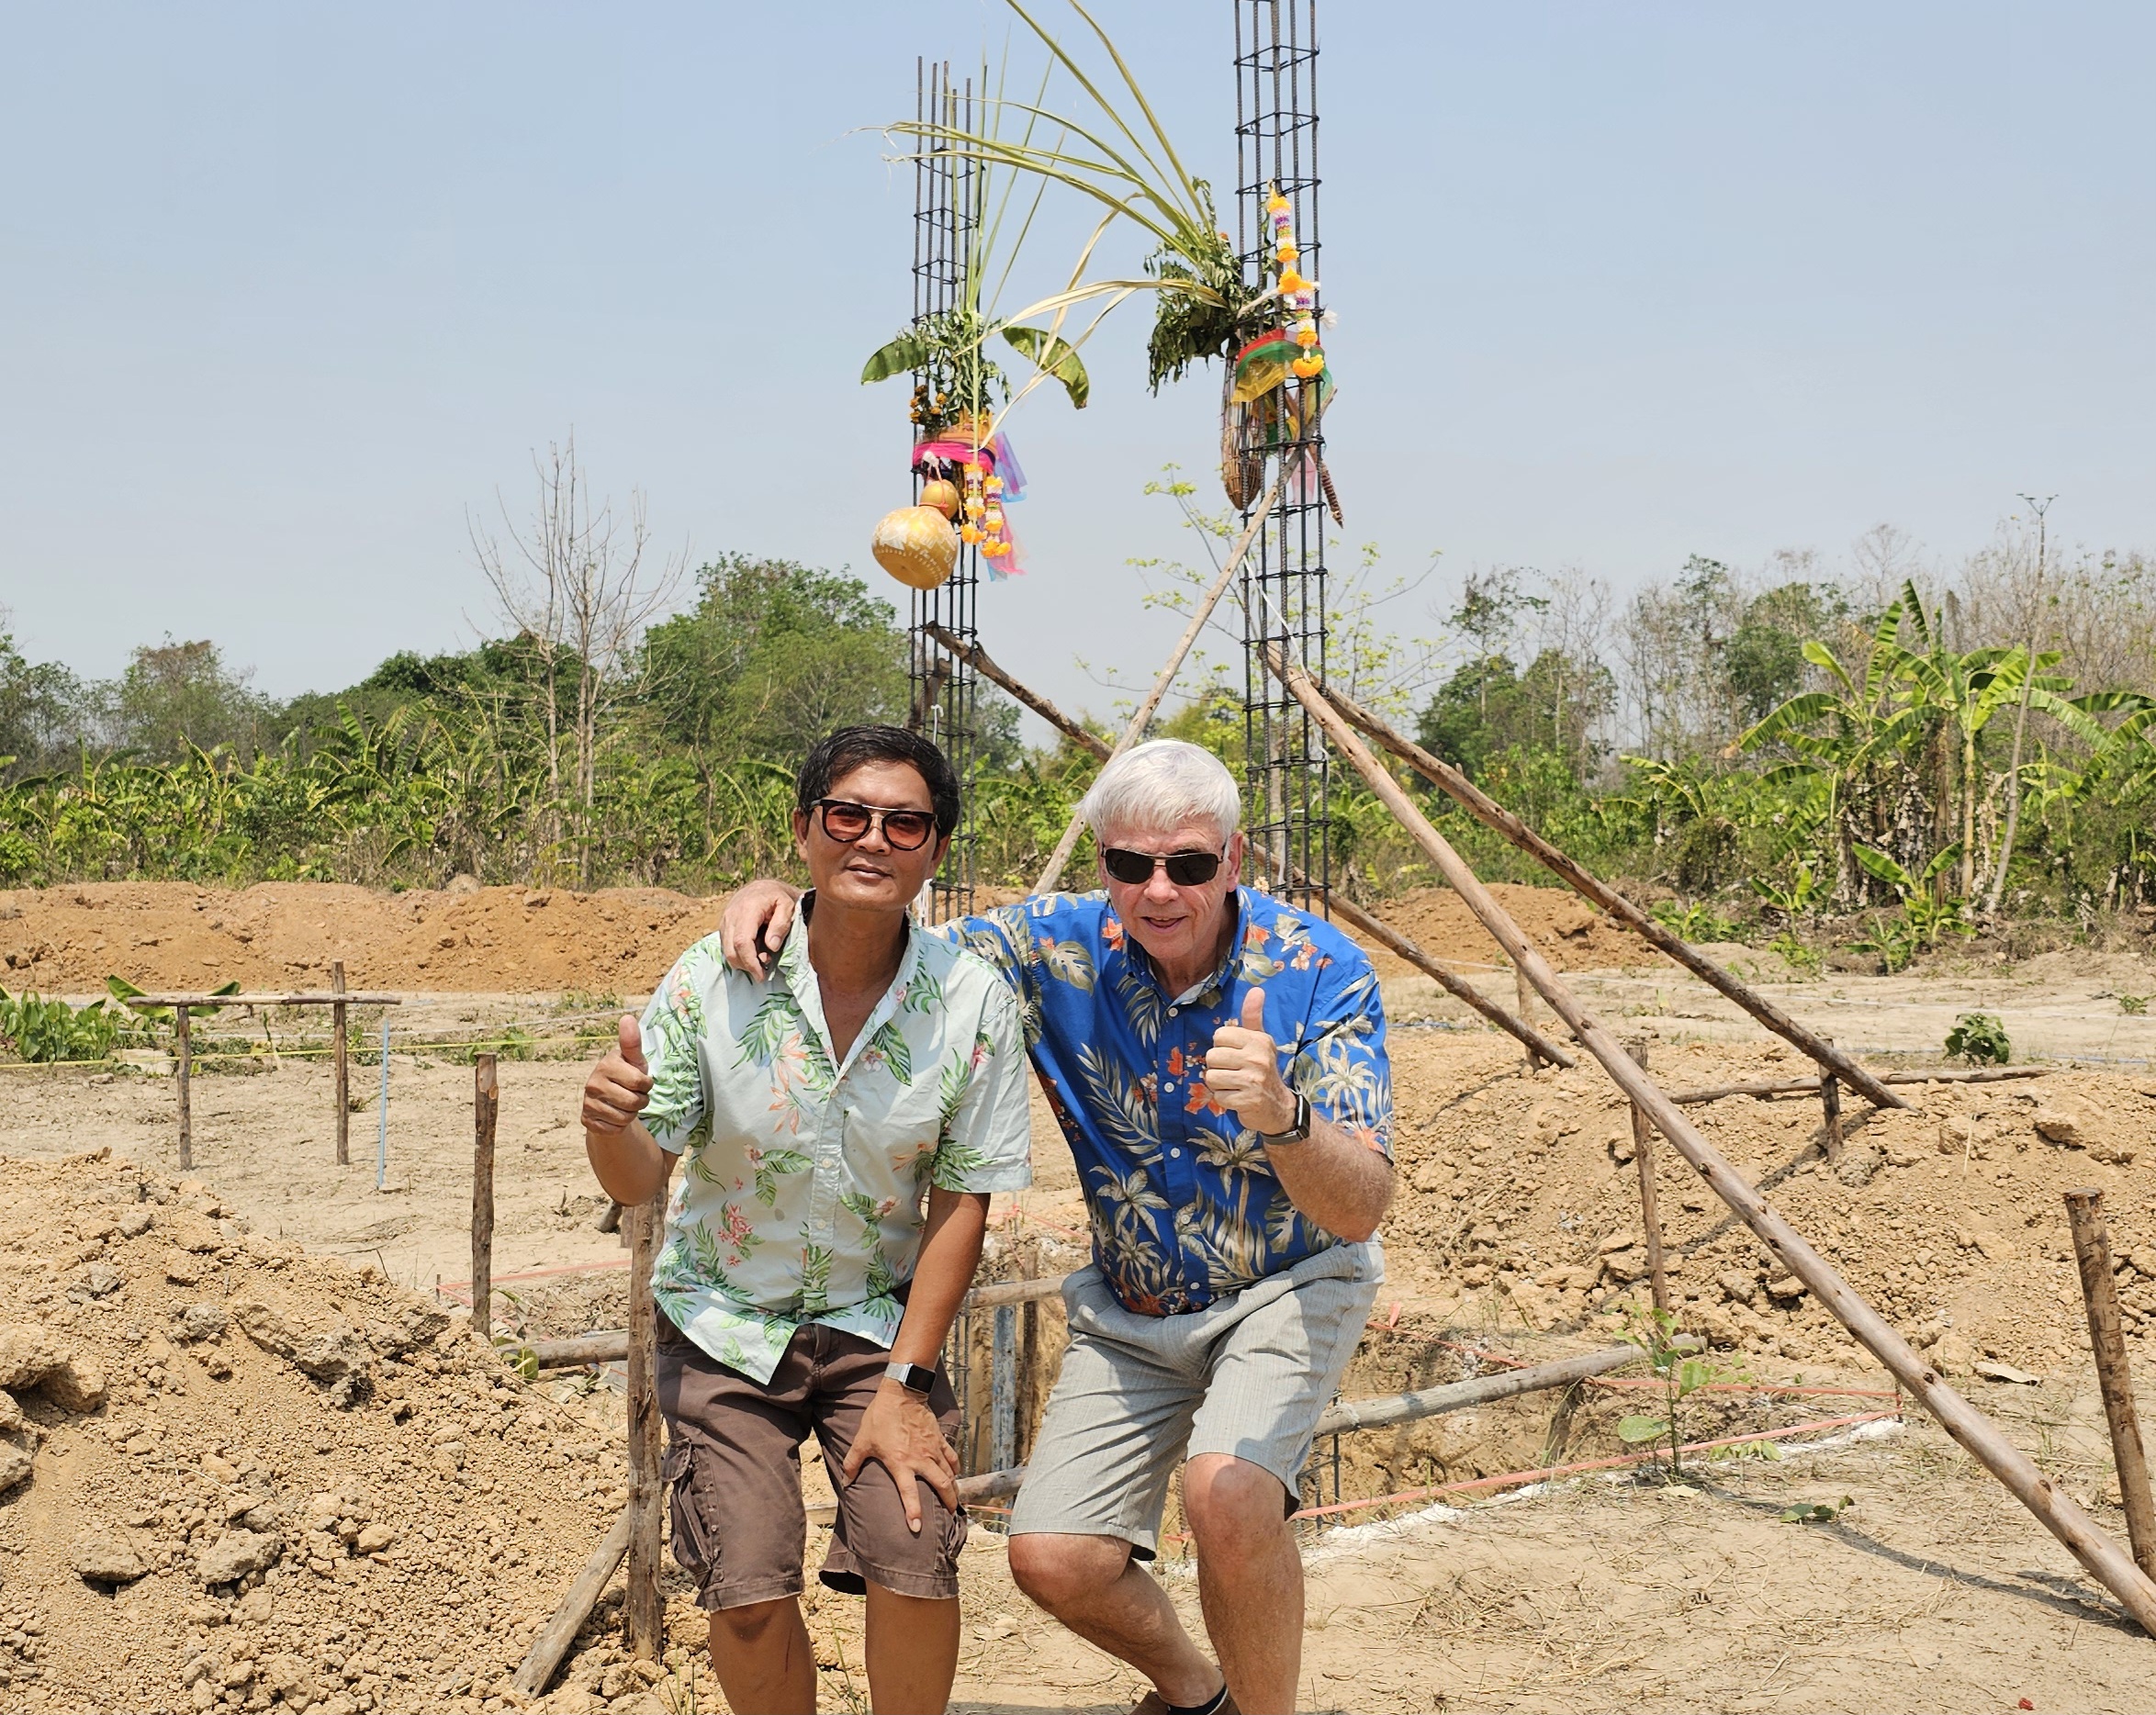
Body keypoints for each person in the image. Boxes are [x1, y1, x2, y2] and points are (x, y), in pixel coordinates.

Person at [721, 738, 1395, 1715]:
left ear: (1233, 860)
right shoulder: (1049, 946)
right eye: (1130, 863)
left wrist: (1284, 1117)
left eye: (1188, 864)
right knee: (1053, 1556)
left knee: (1226, 1489)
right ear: (1101, 863)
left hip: (1285, 1280)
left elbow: (1361, 1204)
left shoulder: (1319, 968)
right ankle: (1197, 1693)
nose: (1158, 890)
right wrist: (782, 895)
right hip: (1134, 1303)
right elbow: (889, 933)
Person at [581, 724, 1033, 1715]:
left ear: (936, 850)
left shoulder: (969, 1001)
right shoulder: (713, 977)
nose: (872, 838)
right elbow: (638, 1176)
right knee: (746, 1590)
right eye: (847, 814)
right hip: (723, 1322)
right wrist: (607, 1122)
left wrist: (907, 1386)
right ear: (803, 829)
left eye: (904, 823)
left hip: (879, 1326)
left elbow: (962, 1203)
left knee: (914, 1550)